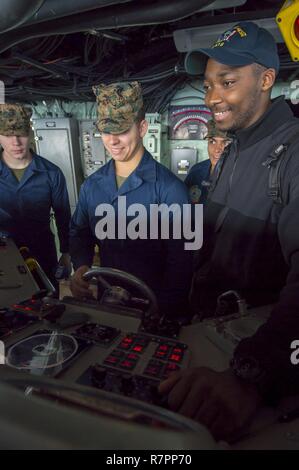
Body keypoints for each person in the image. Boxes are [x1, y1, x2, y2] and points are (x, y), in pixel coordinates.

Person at [159, 21, 299, 441]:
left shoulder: (291, 154)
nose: (212, 97)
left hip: (257, 362)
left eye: (228, 81)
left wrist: (252, 378)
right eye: (208, 85)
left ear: (267, 79)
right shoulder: (235, 147)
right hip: (212, 333)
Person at [69, 81, 192, 317]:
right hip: (107, 298)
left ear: (142, 127)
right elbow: (79, 232)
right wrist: (81, 265)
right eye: (106, 130)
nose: (112, 141)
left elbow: (183, 263)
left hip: (154, 304)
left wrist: (165, 313)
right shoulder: (92, 186)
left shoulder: (171, 190)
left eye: (122, 130)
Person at [0, 103, 71, 289]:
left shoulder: (51, 173)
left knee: (48, 307)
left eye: (21, 134)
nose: (15, 142)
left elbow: (64, 217)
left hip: (42, 254)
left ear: (31, 133)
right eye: (7, 135)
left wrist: (67, 253)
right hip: (4, 255)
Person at [185, 119, 231, 204]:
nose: (217, 149)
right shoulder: (196, 171)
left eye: (225, 143)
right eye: (212, 142)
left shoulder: (239, 176)